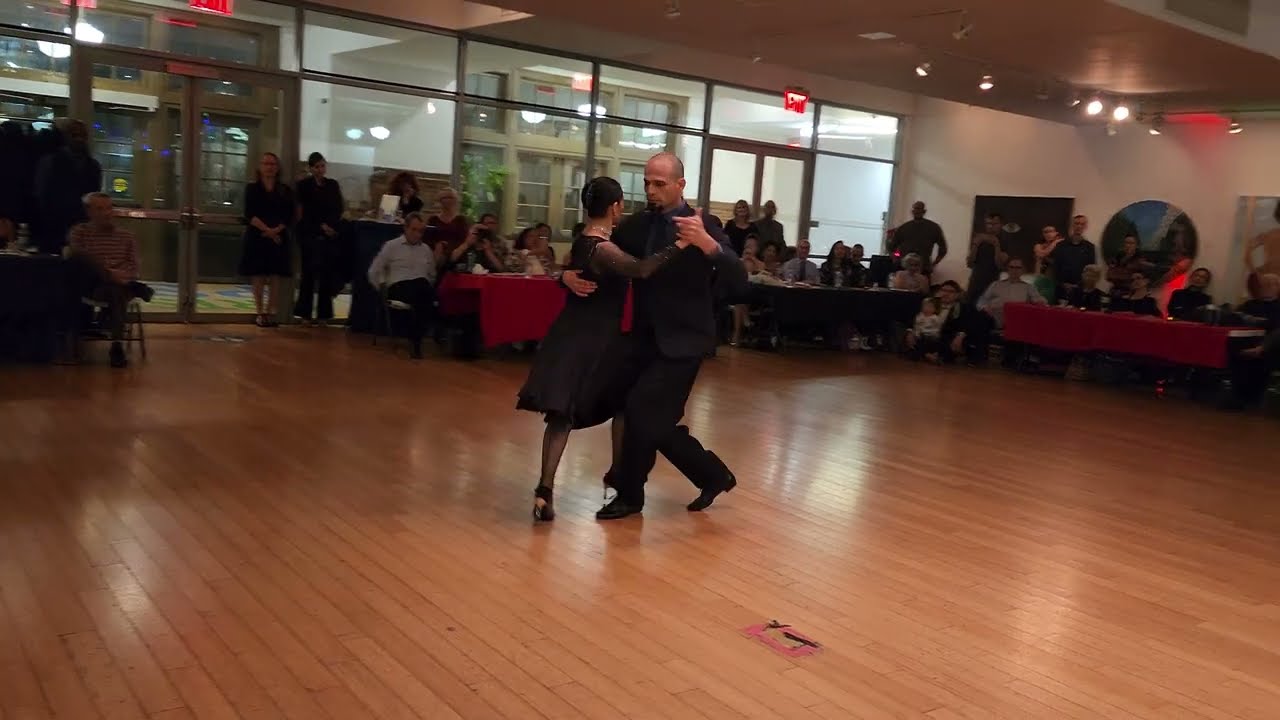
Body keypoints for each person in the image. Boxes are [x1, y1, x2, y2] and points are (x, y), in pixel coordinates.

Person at [517, 177, 720, 521]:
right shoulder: (602, 246)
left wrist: (562, 276)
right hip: (595, 341)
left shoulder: (589, 240)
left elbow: (571, 266)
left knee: (565, 414)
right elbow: (642, 269)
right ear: (615, 207)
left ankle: (547, 488)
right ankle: (615, 477)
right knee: (617, 407)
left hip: (575, 336)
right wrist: (683, 245)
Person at [564, 152, 746, 521]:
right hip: (643, 337)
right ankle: (711, 475)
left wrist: (706, 243)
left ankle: (631, 495)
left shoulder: (704, 223)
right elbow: (595, 248)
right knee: (650, 419)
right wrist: (564, 275)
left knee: (641, 413)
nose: (650, 190)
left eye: (659, 184)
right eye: (647, 182)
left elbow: (739, 278)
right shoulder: (637, 226)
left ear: (681, 185)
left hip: (685, 341)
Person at [67, 193, 149, 368]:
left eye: (109, 208)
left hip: (120, 285)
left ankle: (116, 342)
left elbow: (134, 267)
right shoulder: (80, 232)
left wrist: (120, 276)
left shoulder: (127, 237)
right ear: (89, 211)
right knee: (84, 260)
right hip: (93, 284)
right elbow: (78, 259)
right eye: (100, 208)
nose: (107, 213)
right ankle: (116, 342)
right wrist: (108, 272)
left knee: (116, 290)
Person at [367, 212, 436, 359]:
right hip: (399, 286)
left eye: (420, 231)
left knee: (424, 291)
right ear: (405, 228)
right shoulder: (392, 246)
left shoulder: (426, 250)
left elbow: (432, 275)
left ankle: (415, 339)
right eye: (414, 230)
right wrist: (381, 290)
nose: (417, 234)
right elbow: (374, 271)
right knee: (423, 293)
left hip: (421, 286)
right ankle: (415, 340)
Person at [239, 152, 294, 327]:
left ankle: (271, 312)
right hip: (258, 235)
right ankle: (260, 312)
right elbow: (249, 214)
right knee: (259, 275)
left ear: (277, 168)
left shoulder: (284, 190)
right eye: (266, 164)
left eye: (273, 164)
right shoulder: (252, 188)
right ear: (259, 167)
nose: (269, 167)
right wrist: (267, 231)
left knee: (275, 275)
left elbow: (289, 215)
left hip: (278, 235)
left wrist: (276, 230)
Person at [34, 118, 101, 255]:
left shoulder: (92, 166)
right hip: (54, 225)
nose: (79, 139)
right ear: (66, 137)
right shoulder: (51, 162)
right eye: (74, 135)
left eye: (82, 136)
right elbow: (41, 195)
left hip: (79, 225)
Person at [294, 152, 345, 325]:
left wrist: (331, 227)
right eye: (317, 167)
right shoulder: (304, 186)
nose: (320, 170)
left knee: (326, 275)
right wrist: (320, 225)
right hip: (310, 233)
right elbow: (305, 211)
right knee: (308, 274)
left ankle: (324, 314)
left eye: (323, 166)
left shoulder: (332, 185)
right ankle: (305, 313)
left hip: (328, 235)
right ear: (311, 168)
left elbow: (338, 207)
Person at [889, 201, 947, 276]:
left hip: (924, 267)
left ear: (924, 211)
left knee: (922, 286)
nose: (917, 211)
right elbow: (892, 247)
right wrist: (897, 258)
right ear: (912, 211)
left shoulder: (933, 228)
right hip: (903, 268)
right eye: (915, 209)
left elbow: (943, 249)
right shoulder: (903, 228)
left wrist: (934, 263)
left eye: (919, 209)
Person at [966, 212, 1007, 302]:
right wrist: (976, 244)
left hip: (991, 284)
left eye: (994, 224)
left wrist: (996, 245)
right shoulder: (980, 239)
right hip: (974, 283)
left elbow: (1000, 265)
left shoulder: (1004, 242)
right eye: (988, 223)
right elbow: (969, 264)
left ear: (1001, 224)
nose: (991, 226)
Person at [909, 297, 944, 363]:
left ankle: (932, 354)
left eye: (930, 307)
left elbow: (937, 329)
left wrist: (927, 332)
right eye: (925, 306)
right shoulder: (919, 316)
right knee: (916, 345)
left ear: (935, 309)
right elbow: (916, 326)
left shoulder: (935, 318)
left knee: (932, 343)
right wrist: (915, 333)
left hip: (930, 336)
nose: (927, 308)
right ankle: (928, 356)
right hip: (919, 335)